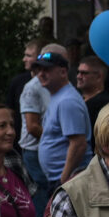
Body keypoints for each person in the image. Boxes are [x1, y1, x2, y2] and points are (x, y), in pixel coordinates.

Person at [34, 49, 88, 186]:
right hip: (61, 178)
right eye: (38, 70)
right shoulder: (59, 96)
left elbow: (78, 144)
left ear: (63, 72)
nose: (41, 74)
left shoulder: (67, 101)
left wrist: (63, 179)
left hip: (68, 180)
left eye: (46, 69)